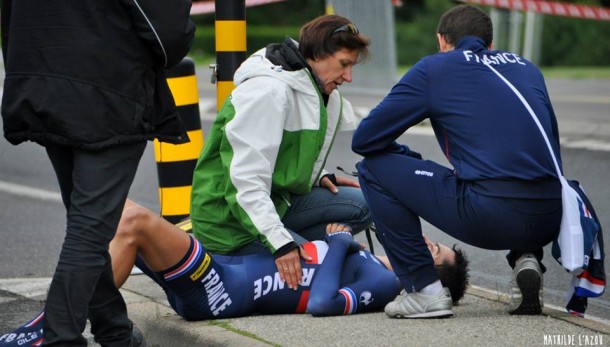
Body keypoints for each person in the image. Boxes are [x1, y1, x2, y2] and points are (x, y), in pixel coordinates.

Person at [1, 199, 469, 347]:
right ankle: (78, 325)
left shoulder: (386, 283)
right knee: (110, 213)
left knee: (130, 221)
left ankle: (55, 326)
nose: (425, 244)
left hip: (221, 292)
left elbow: (323, 304)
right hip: (220, 268)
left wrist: (340, 244)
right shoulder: (374, 261)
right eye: (433, 241)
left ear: (428, 278)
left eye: (434, 254)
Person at [1, 1, 195, 345]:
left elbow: (9, 19)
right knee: (91, 227)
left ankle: (114, 330)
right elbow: (169, 34)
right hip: (108, 91)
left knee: (86, 221)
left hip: (40, 84)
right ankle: (60, 336)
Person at [352, 4, 563, 318]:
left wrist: (410, 160)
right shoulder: (526, 67)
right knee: (514, 161)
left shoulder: (435, 68)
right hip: (552, 216)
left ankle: (424, 290)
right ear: (489, 44)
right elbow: (548, 148)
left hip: (492, 214)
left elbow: (365, 139)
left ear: (441, 41)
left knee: (373, 169)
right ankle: (526, 256)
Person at [190, 14, 373, 291]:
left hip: (277, 203)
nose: (348, 77)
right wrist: (281, 244)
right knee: (334, 272)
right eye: (344, 65)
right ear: (318, 54)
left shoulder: (316, 88)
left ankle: (304, 249)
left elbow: (282, 152)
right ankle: (244, 253)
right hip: (229, 222)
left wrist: (316, 175)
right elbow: (245, 182)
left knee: (365, 204)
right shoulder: (268, 92)